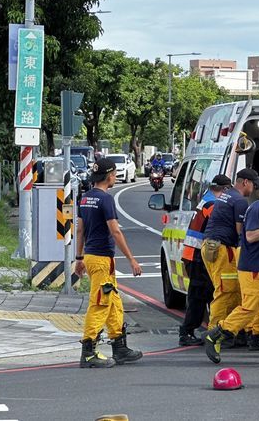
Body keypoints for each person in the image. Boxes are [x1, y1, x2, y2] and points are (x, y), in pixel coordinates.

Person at [204, 170, 259, 364]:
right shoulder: (258, 209)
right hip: (252, 267)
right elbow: (249, 236)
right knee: (249, 307)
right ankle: (216, 334)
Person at [75, 158, 143, 368]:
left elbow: (79, 230)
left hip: (91, 257)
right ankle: (88, 352)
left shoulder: (85, 198)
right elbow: (115, 230)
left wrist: (79, 258)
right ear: (109, 176)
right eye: (114, 174)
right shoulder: (105, 199)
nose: (115, 177)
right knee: (100, 303)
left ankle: (119, 347)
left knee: (114, 302)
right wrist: (131, 259)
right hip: (102, 259)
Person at [201, 169, 259, 331]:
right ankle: (215, 331)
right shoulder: (239, 201)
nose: (253, 190)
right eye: (253, 185)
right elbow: (240, 231)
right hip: (222, 248)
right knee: (225, 290)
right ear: (245, 182)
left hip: (212, 245)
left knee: (232, 288)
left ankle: (230, 328)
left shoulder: (226, 196)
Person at [178, 174, 231, 347]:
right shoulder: (213, 205)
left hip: (193, 254)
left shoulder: (206, 200)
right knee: (199, 295)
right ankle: (187, 332)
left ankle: (212, 329)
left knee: (206, 293)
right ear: (224, 189)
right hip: (197, 256)